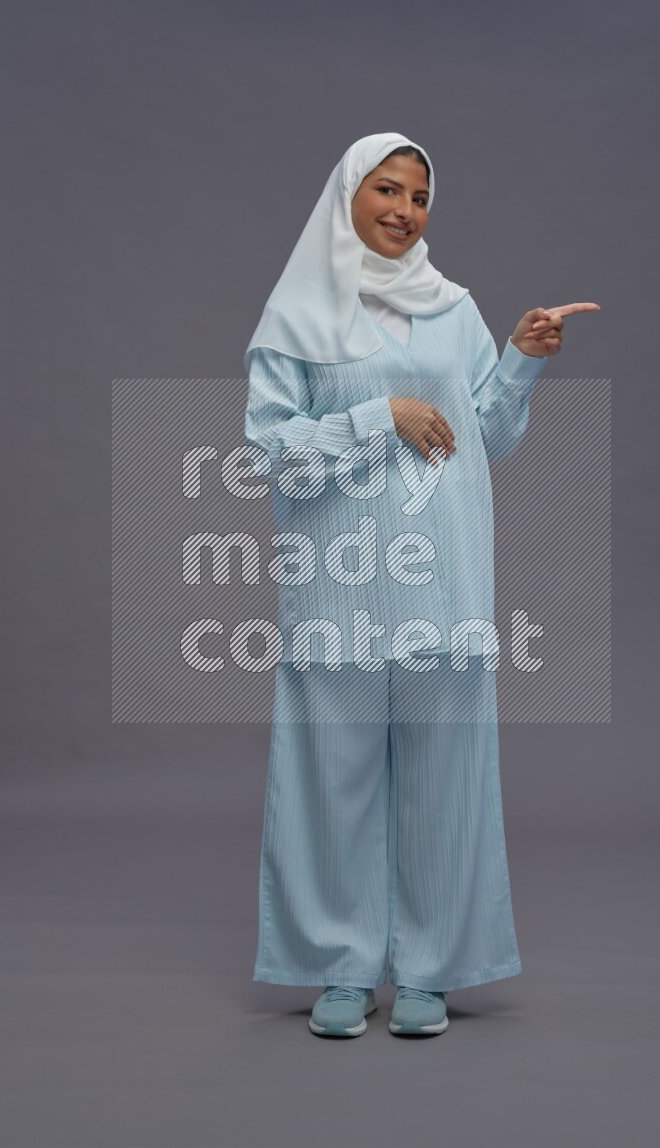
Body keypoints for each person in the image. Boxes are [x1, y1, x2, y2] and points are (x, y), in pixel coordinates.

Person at [242, 132, 599, 1037]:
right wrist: (377, 417)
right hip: (340, 588)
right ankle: (342, 967)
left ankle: (434, 967)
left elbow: (489, 433)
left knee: (449, 779)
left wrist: (520, 355)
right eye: (387, 190)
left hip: (442, 584)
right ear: (347, 196)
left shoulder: (453, 310)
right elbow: (268, 453)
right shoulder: (297, 314)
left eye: (420, 196)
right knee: (332, 777)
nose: (405, 210)